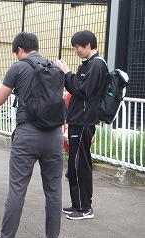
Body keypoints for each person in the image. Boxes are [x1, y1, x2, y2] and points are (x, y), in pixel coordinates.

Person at [0, 32, 63, 238]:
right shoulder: (55, 68)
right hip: (54, 135)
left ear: (20, 49)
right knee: (54, 190)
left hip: (28, 134)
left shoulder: (18, 67)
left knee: (17, 189)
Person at [56, 30, 108, 220]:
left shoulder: (96, 65)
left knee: (80, 164)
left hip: (84, 121)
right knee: (75, 163)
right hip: (79, 120)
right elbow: (76, 88)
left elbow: (83, 90)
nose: (76, 50)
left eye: (77, 46)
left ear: (87, 44)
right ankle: (78, 205)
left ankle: (85, 208)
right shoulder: (90, 64)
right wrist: (70, 75)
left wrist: (67, 72)